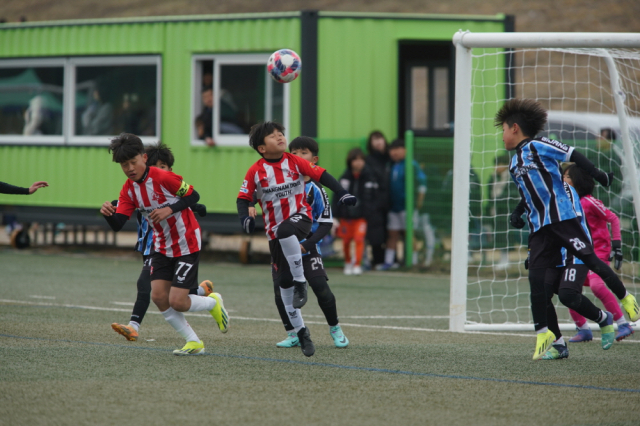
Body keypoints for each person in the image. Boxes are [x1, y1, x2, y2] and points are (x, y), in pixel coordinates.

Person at [496, 98, 639, 360]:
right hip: (540, 228)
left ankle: (626, 298)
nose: (502, 135)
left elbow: (572, 154)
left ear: (514, 128)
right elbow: (530, 193)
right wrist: (518, 213)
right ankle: (546, 334)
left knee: (590, 260)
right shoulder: (515, 164)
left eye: (503, 129)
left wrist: (597, 174)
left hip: (562, 219)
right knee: (537, 281)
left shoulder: (539, 145)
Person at [100, 133, 229, 356]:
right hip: (161, 245)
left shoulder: (163, 177)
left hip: (187, 241)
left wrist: (170, 209)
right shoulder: (129, 189)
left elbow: (193, 195)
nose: (130, 168)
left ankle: (212, 303)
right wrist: (108, 214)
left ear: (144, 157)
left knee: (177, 301)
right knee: (159, 297)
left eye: (133, 162)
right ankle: (194, 342)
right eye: (124, 165)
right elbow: (118, 223)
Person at [236, 121, 356, 357]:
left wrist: (342, 193)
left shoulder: (294, 163)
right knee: (282, 289)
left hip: (301, 222)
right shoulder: (255, 172)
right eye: (273, 136)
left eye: (281, 133)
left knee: (314, 280)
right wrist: (245, 217)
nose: (280, 137)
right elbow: (243, 197)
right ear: (262, 148)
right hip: (277, 236)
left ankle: (310, 293)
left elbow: (323, 175)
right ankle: (300, 333)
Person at [536, 182, 616, 360]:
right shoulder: (534, 189)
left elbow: (570, 223)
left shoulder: (563, 189)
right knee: (541, 293)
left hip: (574, 251)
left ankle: (603, 318)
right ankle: (558, 345)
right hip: (552, 253)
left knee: (567, 295)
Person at [562, 164, 633, 342]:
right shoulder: (566, 204)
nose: (564, 179)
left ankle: (623, 324)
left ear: (578, 181)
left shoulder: (589, 202)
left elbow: (613, 218)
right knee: (568, 289)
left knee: (597, 286)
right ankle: (583, 329)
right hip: (579, 253)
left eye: (568, 176)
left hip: (598, 252)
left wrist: (616, 245)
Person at [379, 138, 427, 270]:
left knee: (409, 234)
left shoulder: (412, 164)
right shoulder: (391, 165)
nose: (394, 153)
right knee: (392, 234)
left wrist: (419, 202)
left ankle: (414, 262)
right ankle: (389, 262)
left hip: (408, 207)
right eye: (392, 150)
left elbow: (422, 183)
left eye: (397, 149)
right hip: (393, 207)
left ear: (405, 150)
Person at [332, 147, 380, 275]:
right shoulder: (344, 177)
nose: (359, 163)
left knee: (359, 239)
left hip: (362, 216)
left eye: (361, 160)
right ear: (350, 162)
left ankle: (357, 264)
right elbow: (336, 196)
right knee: (346, 241)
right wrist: (335, 215)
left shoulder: (370, 177)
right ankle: (348, 262)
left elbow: (375, 198)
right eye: (355, 160)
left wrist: (370, 212)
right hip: (346, 216)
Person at [485, 153, 522, 269]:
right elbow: (489, 195)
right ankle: (502, 259)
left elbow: (512, 196)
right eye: (495, 164)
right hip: (495, 212)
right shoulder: (493, 178)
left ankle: (506, 260)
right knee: (498, 236)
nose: (497, 167)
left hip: (508, 213)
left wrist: (498, 201)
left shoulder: (512, 178)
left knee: (506, 236)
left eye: (500, 164)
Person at [364, 131, 390, 268]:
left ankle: (393, 259)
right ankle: (377, 260)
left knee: (391, 233)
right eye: (374, 139)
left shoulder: (390, 158)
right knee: (376, 234)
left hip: (391, 202)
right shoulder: (369, 160)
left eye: (380, 138)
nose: (378, 142)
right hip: (376, 203)